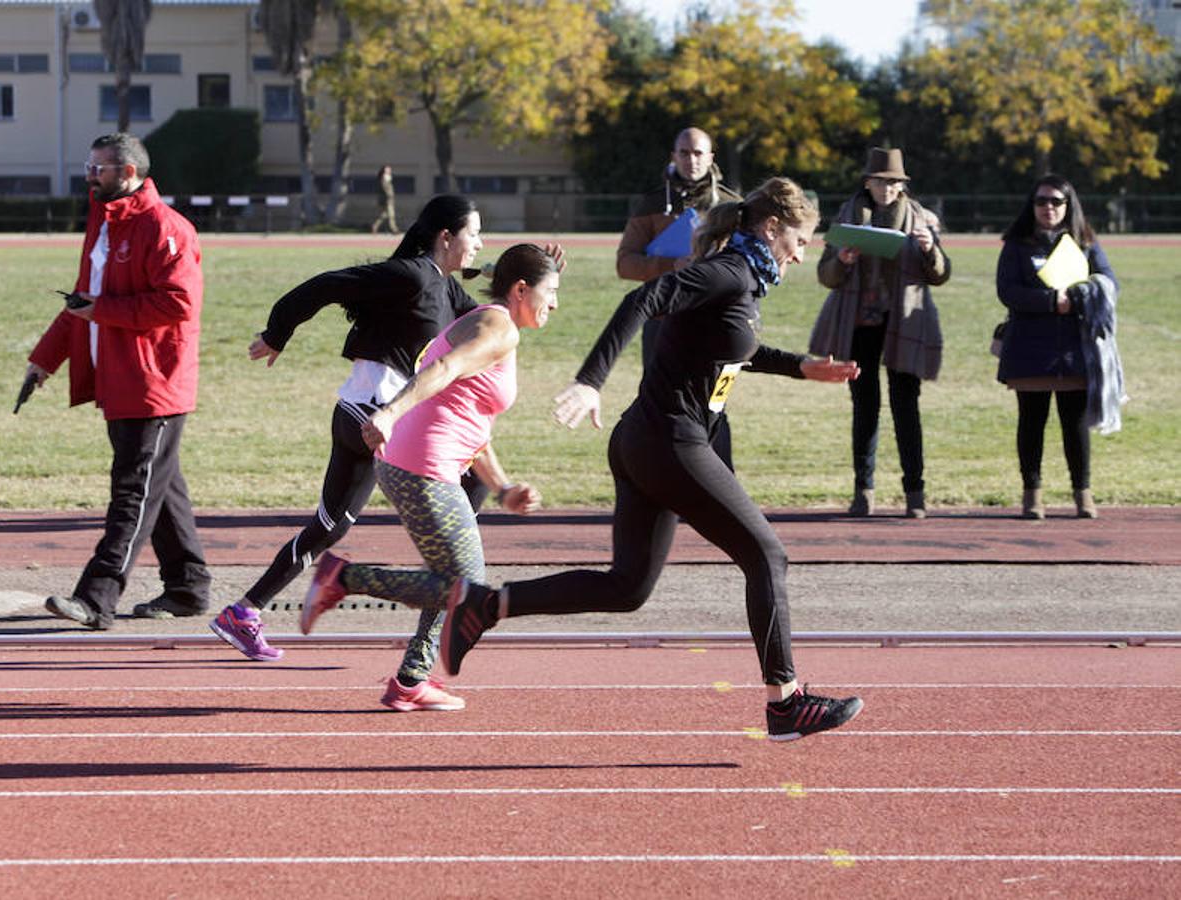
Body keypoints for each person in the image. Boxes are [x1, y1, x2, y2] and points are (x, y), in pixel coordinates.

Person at [328, 178, 863, 741]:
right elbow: (643, 299)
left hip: (646, 441)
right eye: (800, 239)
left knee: (627, 588)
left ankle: (488, 606)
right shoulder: (728, 271)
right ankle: (786, 702)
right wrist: (589, 382)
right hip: (668, 442)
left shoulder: (742, 283)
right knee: (768, 555)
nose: (803, 254)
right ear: (772, 228)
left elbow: (734, 349)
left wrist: (802, 366)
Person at [209, 196, 497, 701]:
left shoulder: (446, 288)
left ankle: (245, 611)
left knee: (332, 522)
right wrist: (278, 334)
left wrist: (524, 284)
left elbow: (492, 324)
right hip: (372, 415)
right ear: (446, 237)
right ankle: (443, 589)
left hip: (363, 414)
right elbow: (324, 286)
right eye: (475, 233)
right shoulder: (408, 275)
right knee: (471, 482)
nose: (480, 241)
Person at [299, 244, 561, 711]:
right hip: (420, 465)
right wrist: (390, 412)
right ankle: (342, 577)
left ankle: (410, 681)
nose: (556, 303)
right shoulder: (498, 328)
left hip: (420, 461)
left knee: (452, 579)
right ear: (521, 289)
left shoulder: (490, 321)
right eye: (551, 291)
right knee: (470, 591)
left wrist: (501, 487)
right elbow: (443, 369)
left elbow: (469, 421)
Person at [26, 132, 211, 630]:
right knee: (159, 485)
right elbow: (81, 304)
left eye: (99, 168)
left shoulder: (165, 227)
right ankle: (188, 588)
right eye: (90, 166)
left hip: (154, 383)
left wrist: (100, 310)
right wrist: (44, 360)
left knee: (132, 491)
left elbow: (178, 303)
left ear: (128, 174)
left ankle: (97, 597)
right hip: (119, 377)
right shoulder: (104, 223)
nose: (90, 174)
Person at [809, 147, 949, 519]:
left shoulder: (921, 217)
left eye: (894, 183)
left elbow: (940, 273)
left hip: (904, 323)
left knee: (907, 408)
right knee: (865, 408)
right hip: (858, 324)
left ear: (902, 186)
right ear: (867, 182)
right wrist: (841, 260)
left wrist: (930, 248)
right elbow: (826, 276)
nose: (887, 188)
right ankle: (863, 490)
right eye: (880, 181)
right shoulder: (846, 216)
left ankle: (915, 492)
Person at [995, 175, 1119, 520]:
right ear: (1031, 206)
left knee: (1075, 423)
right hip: (1030, 346)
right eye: (1041, 201)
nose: (1048, 207)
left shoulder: (1086, 242)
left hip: (1074, 348)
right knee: (1031, 421)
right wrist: (1051, 301)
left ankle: (1083, 492)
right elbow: (1007, 290)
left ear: (1069, 205)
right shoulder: (1017, 244)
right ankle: (1031, 493)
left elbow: (1110, 282)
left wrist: (1082, 295)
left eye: (1056, 201)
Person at [617, 127, 741, 467]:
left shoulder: (732, 206)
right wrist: (671, 264)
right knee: (661, 407)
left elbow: (750, 263)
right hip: (662, 323)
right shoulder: (651, 204)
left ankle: (721, 483)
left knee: (716, 404)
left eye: (699, 153)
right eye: (684, 153)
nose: (692, 160)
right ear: (673, 156)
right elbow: (625, 263)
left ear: (711, 157)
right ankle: (661, 485)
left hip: (718, 325)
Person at [370, 165, 398, 234]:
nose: (389, 170)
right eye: (387, 169)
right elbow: (385, 189)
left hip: (388, 199)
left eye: (389, 169)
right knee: (391, 215)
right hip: (387, 200)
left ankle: (374, 226)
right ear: (384, 170)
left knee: (384, 215)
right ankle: (394, 229)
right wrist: (389, 196)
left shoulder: (388, 178)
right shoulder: (384, 178)